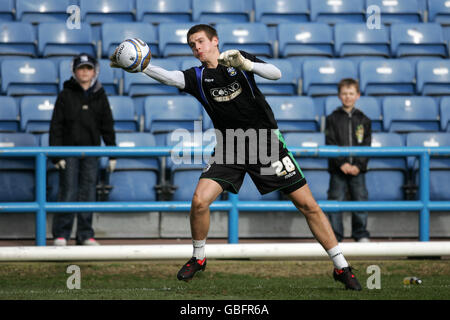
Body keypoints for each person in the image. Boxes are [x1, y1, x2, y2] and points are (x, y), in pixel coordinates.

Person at [110, 24, 362, 290]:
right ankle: (199, 258)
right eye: (192, 45)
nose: (197, 48)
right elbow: (171, 78)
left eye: (200, 42)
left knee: (308, 206)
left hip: (265, 142)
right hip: (230, 147)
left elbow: (276, 74)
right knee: (199, 201)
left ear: (214, 41)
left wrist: (247, 65)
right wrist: (141, 66)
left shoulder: (236, 59)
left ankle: (342, 267)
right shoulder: (197, 77)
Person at [49, 53, 117, 246]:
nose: (84, 72)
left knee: (88, 193)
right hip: (68, 152)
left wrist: (112, 154)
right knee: (68, 192)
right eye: (81, 68)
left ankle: (85, 234)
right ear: (74, 71)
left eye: (88, 68)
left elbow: (107, 126)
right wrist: (56, 155)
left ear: (94, 71)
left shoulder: (100, 95)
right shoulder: (65, 95)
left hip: (92, 152)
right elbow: (56, 127)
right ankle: (61, 234)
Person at [325, 78, 371, 243]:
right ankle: (335, 236)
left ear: (357, 95)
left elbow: (366, 144)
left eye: (351, 93)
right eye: (344, 93)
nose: (348, 97)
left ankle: (361, 234)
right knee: (335, 201)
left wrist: (358, 165)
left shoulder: (364, 119)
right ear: (339, 96)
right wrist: (342, 163)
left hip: (358, 170)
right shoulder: (332, 118)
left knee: (360, 200)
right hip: (338, 169)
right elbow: (330, 142)